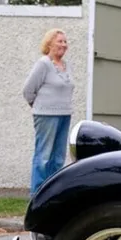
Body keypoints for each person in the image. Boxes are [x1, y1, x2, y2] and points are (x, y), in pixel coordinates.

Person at [23, 29, 74, 196]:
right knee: (43, 157)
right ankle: (37, 196)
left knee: (58, 158)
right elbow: (28, 90)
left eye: (65, 42)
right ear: (49, 43)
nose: (64, 45)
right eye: (60, 41)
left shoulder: (66, 65)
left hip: (64, 114)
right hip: (46, 116)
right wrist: (39, 107)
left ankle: (52, 195)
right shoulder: (43, 64)